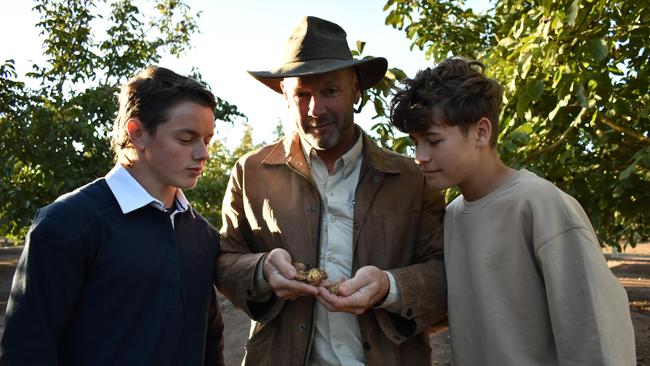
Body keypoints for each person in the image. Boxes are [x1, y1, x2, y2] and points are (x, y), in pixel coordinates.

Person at [216, 16, 446, 366]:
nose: (315, 109)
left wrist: (388, 286)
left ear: (356, 90)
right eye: (302, 95)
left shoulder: (412, 180)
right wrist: (263, 270)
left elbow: (445, 271)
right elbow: (225, 260)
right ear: (284, 96)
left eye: (330, 91)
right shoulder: (251, 173)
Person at [389, 58, 636, 365]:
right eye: (415, 143)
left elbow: (594, 331)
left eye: (433, 141)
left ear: (481, 132)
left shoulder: (539, 204)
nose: (420, 157)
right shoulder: (452, 216)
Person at [1, 66, 225, 366]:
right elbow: (26, 350)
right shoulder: (67, 224)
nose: (203, 153)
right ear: (138, 133)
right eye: (186, 139)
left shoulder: (202, 234)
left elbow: (210, 342)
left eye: (207, 140)